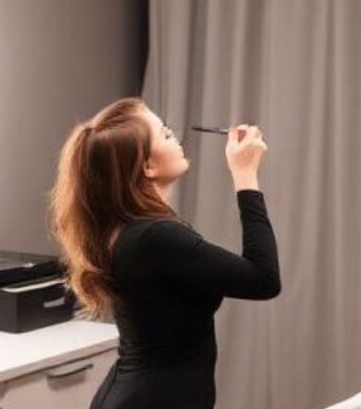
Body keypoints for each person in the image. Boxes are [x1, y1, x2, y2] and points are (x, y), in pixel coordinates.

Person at [50, 97, 281, 409]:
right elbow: (263, 279)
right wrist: (245, 176)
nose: (176, 136)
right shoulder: (153, 237)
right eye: (166, 134)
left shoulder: (132, 230)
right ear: (147, 166)